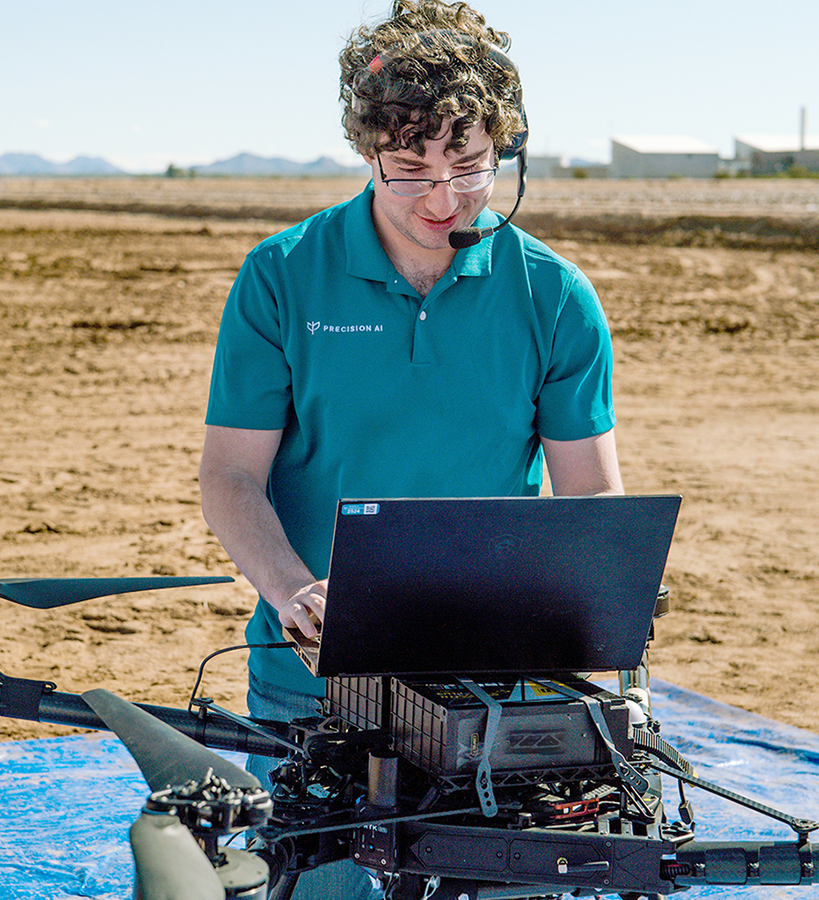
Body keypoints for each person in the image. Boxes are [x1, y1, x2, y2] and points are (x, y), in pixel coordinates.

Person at [198, 0, 622, 891]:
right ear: (367, 153)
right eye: (410, 169)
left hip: (493, 695)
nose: (444, 198)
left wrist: (594, 614)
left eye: (470, 166)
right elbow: (233, 479)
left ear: (506, 145)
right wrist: (290, 590)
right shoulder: (282, 275)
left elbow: (592, 513)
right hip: (311, 686)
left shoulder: (554, 296)